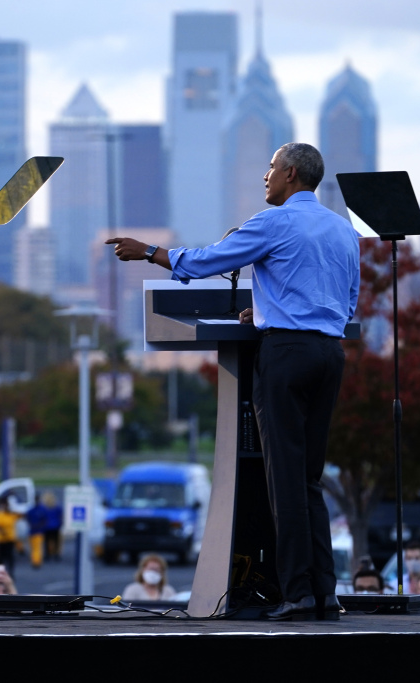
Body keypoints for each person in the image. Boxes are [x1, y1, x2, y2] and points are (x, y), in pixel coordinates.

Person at [107, 142, 360, 622]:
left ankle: (297, 595)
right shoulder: (343, 230)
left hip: (286, 355)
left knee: (284, 480)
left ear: (290, 173)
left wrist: (150, 253)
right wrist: (266, 310)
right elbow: (347, 301)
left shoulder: (273, 222)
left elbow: (209, 260)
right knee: (309, 480)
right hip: (330, 355)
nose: (265, 176)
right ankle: (325, 595)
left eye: (271, 167)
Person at [0, 498, 22, 578]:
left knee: (10, 556)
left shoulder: (11, 514)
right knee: (0, 558)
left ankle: (11, 572)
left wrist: (12, 508)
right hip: (0, 540)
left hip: (9, 539)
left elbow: (21, 514)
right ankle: (1, 573)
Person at [25, 493, 49, 569]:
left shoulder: (36, 510)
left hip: (37, 531)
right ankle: (36, 561)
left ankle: (36, 561)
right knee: (35, 547)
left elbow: (44, 520)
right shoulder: (37, 510)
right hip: (35, 531)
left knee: (36, 547)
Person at [42, 491, 63, 562]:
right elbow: (60, 516)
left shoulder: (44, 508)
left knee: (47, 541)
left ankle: (48, 554)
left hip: (47, 526)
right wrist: (60, 523)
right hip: (56, 526)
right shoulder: (57, 507)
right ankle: (56, 554)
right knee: (56, 541)